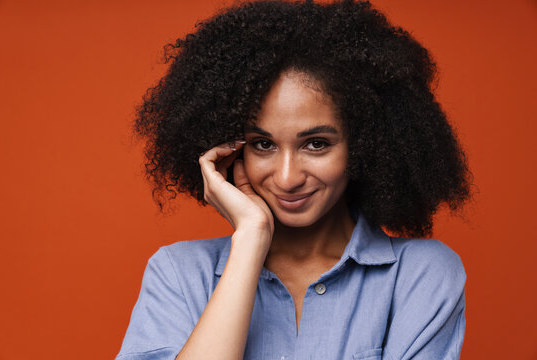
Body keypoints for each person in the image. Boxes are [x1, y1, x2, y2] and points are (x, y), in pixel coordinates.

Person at [117, 0, 473, 359]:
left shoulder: (419, 275)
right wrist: (251, 239)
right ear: (233, 150)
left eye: (316, 144)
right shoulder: (179, 274)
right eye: (263, 144)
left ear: (367, 143)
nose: (287, 178)